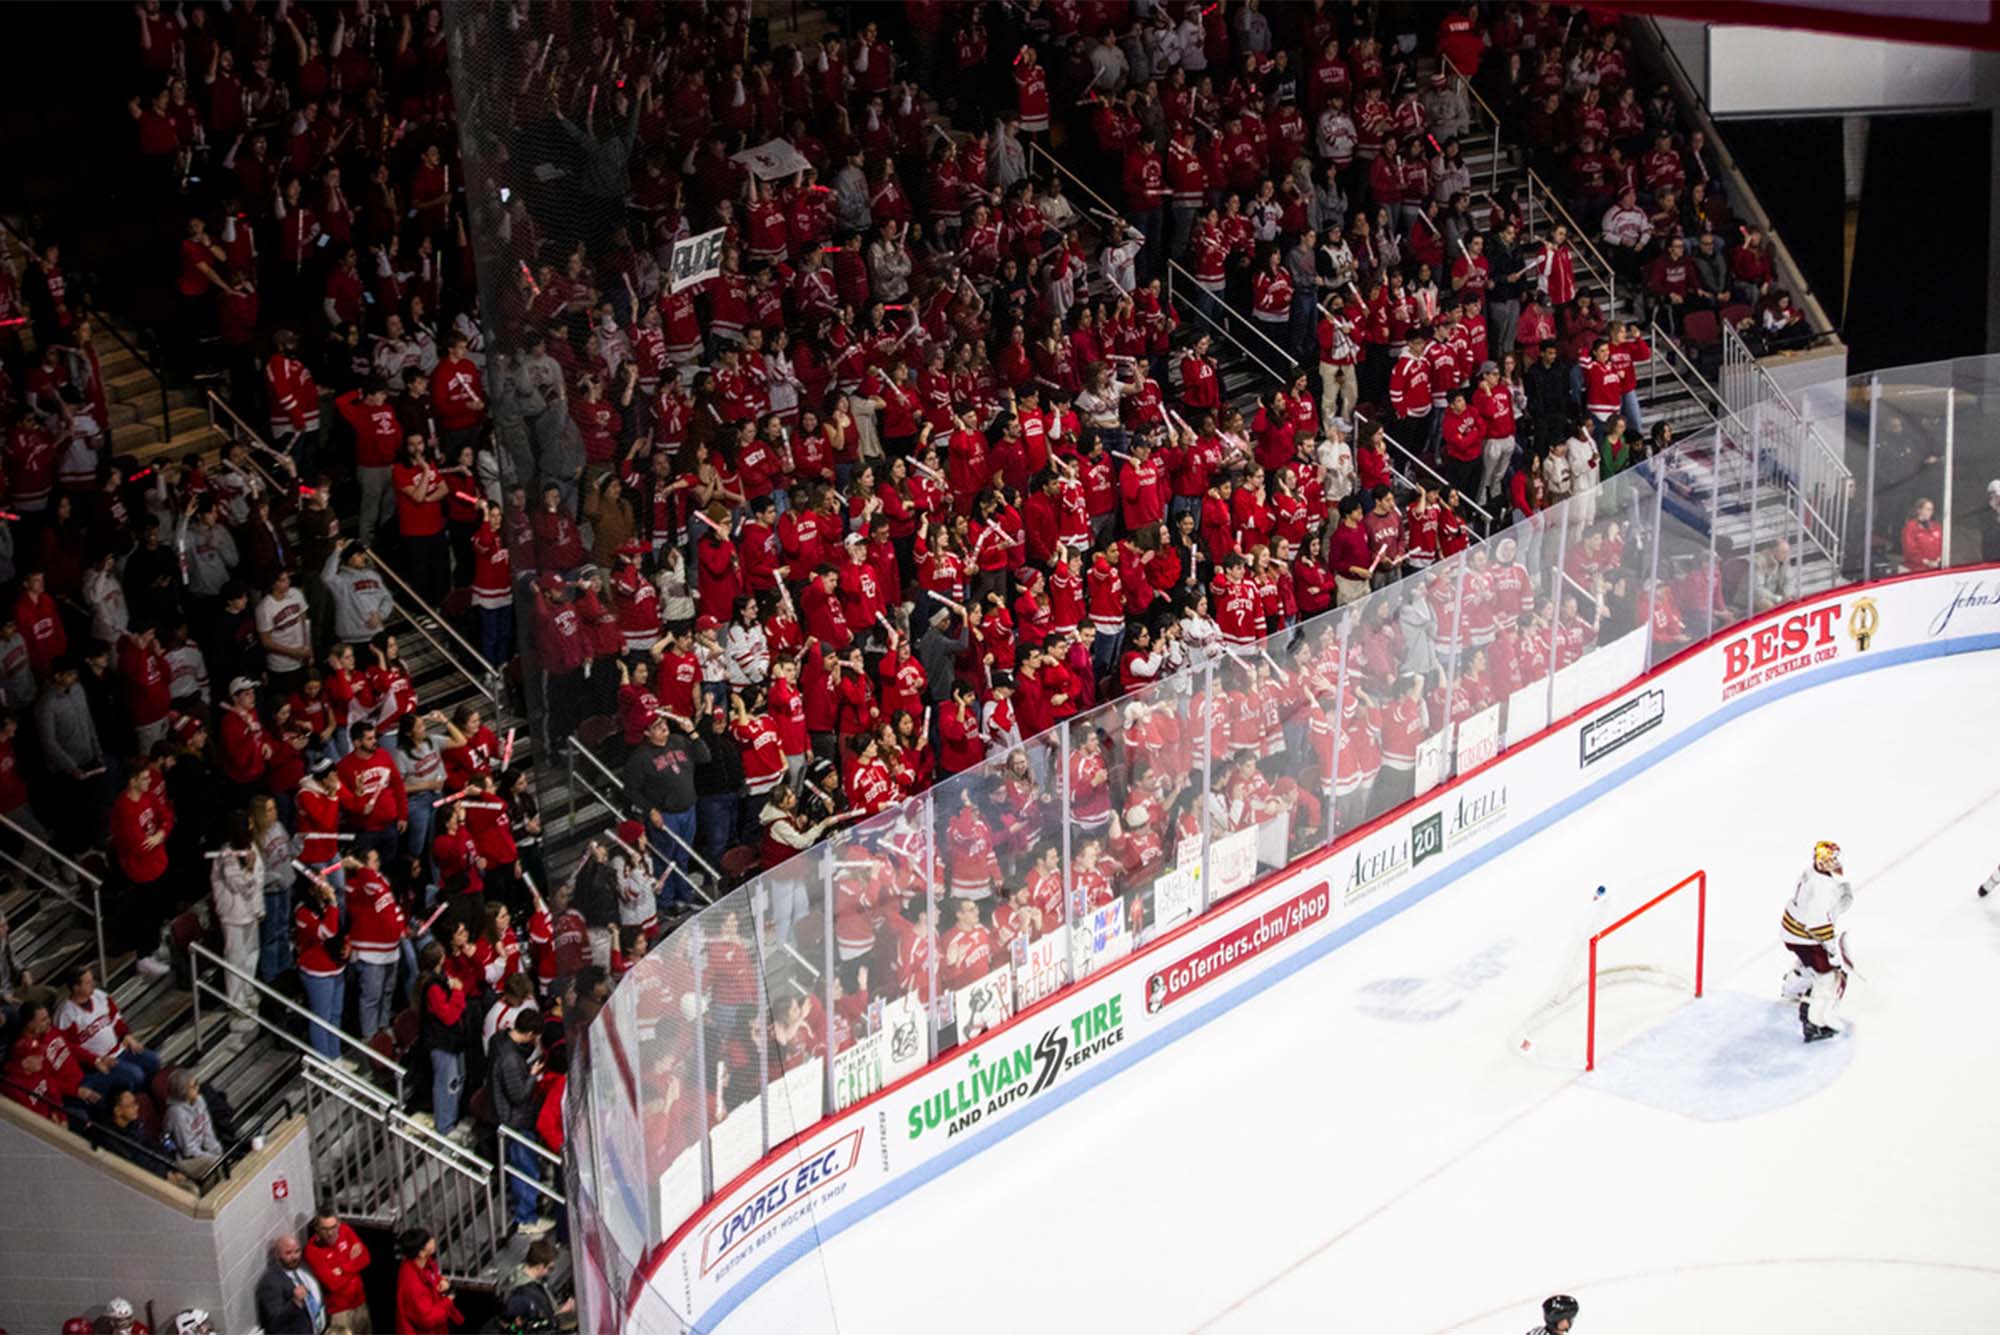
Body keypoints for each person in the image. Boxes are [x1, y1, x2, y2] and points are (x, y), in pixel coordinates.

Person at [489, 1005, 555, 1235]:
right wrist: (533, 1076)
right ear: (529, 1034)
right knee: (525, 1169)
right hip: (516, 1121)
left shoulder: (500, 1041)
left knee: (525, 1167)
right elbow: (517, 1095)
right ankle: (526, 1218)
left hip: (514, 1117)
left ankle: (527, 1213)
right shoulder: (509, 1059)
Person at [1779, 840, 1853, 1043]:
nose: (1834, 862)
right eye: (1830, 859)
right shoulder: (1823, 886)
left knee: (1808, 963)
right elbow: (1816, 924)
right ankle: (1814, 1024)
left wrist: (1835, 905)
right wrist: (1831, 949)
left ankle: (1791, 989)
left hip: (1791, 930)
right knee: (1827, 977)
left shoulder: (1811, 872)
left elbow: (1811, 908)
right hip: (1804, 937)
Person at [304, 1209, 375, 1333]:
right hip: (340, 1311)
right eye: (325, 1229)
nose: (331, 1233)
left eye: (333, 1227)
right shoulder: (312, 1251)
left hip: (360, 1302)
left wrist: (342, 1269)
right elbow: (333, 1284)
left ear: (338, 1224)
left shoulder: (345, 1230)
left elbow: (365, 1258)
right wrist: (352, 1262)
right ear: (317, 1229)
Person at [394, 1227, 464, 1334]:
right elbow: (427, 1319)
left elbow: (432, 1278)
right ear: (421, 1253)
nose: (433, 1240)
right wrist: (448, 1301)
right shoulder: (412, 1285)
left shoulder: (423, 1264)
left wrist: (442, 1281)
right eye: (428, 1241)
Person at [255, 1232, 326, 1334]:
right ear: (277, 1254)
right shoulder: (270, 1282)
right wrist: (295, 1302)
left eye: (297, 1251)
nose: (294, 1257)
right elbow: (274, 1321)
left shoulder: (303, 1267)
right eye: (288, 1253)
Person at [161, 1067, 226, 1179]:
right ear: (183, 1090)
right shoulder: (176, 1113)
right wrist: (214, 1158)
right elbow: (188, 1149)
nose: (198, 1087)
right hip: (184, 1159)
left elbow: (207, 1131)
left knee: (223, 1158)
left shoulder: (200, 1100)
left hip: (201, 1152)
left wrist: (218, 1151)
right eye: (194, 1085)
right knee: (215, 1163)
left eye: (197, 1083)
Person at [498, 1238, 576, 1329]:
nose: (550, 1272)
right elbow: (545, 1323)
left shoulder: (517, 1275)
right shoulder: (531, 1294)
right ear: (540, 1266)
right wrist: (564, 1310)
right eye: (550, 1268)